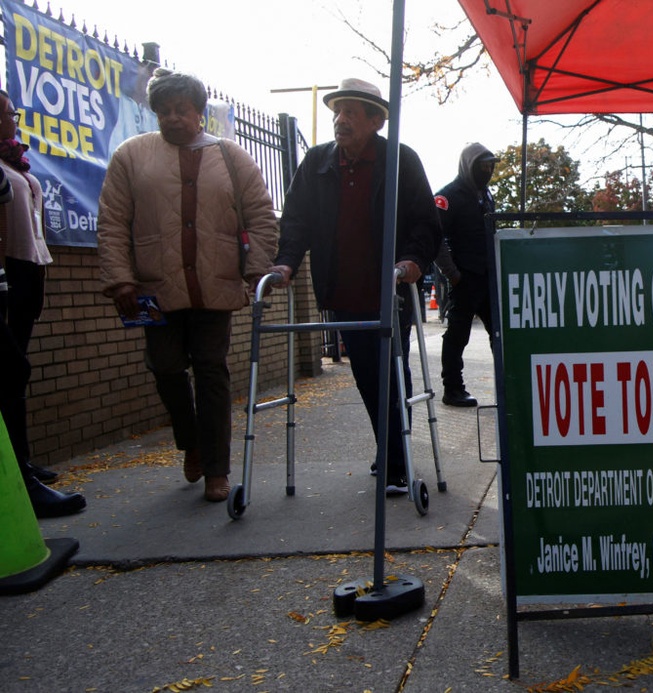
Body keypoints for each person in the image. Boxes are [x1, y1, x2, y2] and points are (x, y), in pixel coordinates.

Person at [97, 69, 278, 502]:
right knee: (165, 367)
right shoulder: (132, 155)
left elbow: (260, 216)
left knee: (212, 371)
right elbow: (112, 222)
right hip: (155, 287)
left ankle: (217, 469)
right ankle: (192, 442)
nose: (173, 118)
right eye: (164, 110)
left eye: (182, 109)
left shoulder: (232, 157)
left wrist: (257, 269)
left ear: (199, 112)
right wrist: (120, 278)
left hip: (214, 287)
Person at [268, 78, 441, 496]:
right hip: (343, 288)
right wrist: (286, 262)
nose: (339, 120)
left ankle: (397, 464)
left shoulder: (400, 160)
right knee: (367, 375)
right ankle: (391, 449)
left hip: (389, 289)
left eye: (351, 112)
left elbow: (426, 221)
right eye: (337, 111)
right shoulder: (316, 163)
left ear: (376, 120)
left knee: (390, 371)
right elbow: (297, 219)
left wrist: (413, 260)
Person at [0, 90, 86, 517]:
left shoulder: (16, 162)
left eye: (11, 114)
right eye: (4, 115)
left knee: (14, 370)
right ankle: (19, 478)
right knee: (11, 369)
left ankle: (21, 462)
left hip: (27, 270)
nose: (11, 121)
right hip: (7, 272)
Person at [433, 143, 498, 407]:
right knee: (458, 334)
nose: (488, 171)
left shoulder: (485, 194)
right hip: (466, 278)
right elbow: (433, 237)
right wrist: (453, 273)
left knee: (499, 333)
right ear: (469, 166)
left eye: (491, 166)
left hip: (488, 276)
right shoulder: (449, 196)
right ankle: (453, 389)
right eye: (483, 166)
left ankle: (508, 384)